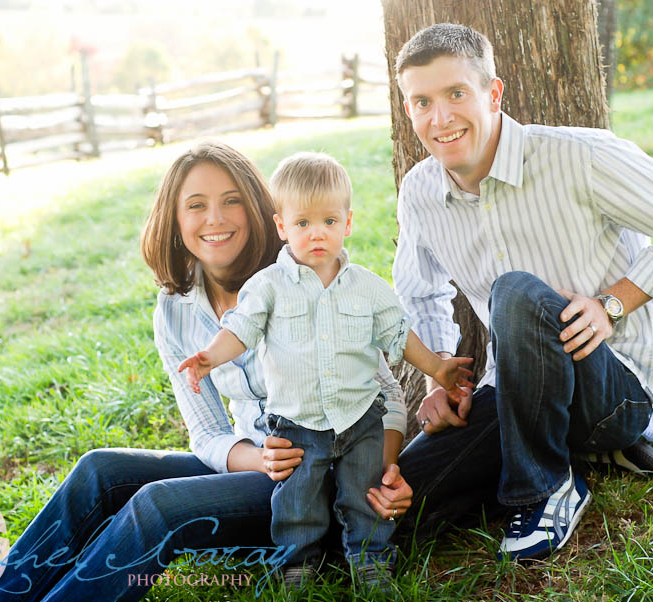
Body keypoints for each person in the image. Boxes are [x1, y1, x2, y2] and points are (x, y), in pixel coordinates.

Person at [0, 141, 414, 602]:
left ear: (262, 211)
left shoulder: (301, 272)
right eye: (196, 206)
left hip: (315, 476)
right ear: (176, 219)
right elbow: (206, 433)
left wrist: (382, 472)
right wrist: (260, 458)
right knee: (98, 469)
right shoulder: (175, 309)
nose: (215, 220)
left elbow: (385, 390)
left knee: (157, 504)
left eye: (231, 202)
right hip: (260, 464)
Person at [390, 24, 653, 561]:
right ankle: (580, 456)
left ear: (493, 93)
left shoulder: (580, 157)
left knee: (518, 292)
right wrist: (439, 374)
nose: (440, 118)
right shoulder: (420, 194)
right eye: (421, 102)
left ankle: (547, 487)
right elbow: (421, 293)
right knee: (400, 502)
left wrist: (613, 303)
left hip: (616, 390)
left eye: (456, 94)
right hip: (515, 395)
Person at [177, 152, 473, 585]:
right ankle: (297, 565)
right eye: (303, 224)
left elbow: (398, 335)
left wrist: (438, 368)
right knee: (297, 503)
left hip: (360, 419)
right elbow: (240, 329)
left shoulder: (368, 288)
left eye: (329, 222)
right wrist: (210, 356)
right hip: (298, 424)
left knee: (365, 495)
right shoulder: (268, 287)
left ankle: (371, 561)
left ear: (347, 224)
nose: (317, 234)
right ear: (282, 228)